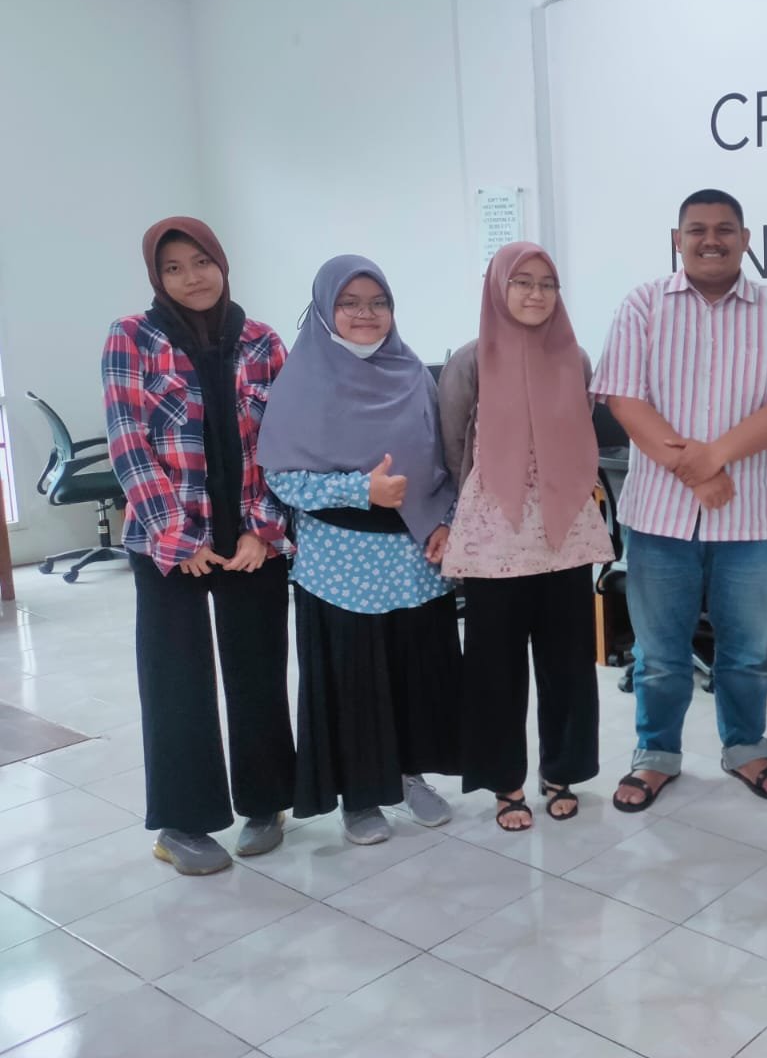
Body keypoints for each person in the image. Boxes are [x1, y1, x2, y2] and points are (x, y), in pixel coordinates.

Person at [591, 188, 767, 813]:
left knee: (746, 654)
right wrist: (694, 473)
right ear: (677, 239)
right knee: (659, 656)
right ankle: (656, 754)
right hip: (659, 518)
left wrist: (712, 458)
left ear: (745, 239)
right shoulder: (642, 304)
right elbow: (623, 398)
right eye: (697, 229)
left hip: (749, 520)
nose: (711, 240)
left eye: (725, 229)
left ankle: (746, 748)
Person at [102, 216, 295, 875]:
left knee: (258, 672)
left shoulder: (263, 340)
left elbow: (284, 443)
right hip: (167, 544)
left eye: (201, 261)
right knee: (176, 683)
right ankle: (181, 824)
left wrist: (263, 528)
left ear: (221, 262)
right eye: (174, 268)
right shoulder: (132, 337)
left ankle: (266, 802)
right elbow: (128, 441)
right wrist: (176, 537)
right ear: (157, 278)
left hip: (250, 542)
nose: (192, 277)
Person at [257, 255, 461, 846]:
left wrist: (445, 522)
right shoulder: (302, 380)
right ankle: (360, 796)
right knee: (354, 681)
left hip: (412, 558)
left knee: (412, 674)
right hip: (340, 564)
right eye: (350, 303)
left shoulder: (412, 373)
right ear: (326, 310)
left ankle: (410, 774)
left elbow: (444, 461)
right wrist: (358, 489)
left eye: (379, 302)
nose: (366, 314)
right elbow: (282, 477)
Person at [438, 242, 612, 830]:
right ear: (498, 287)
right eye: (522, 282)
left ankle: (561, 769)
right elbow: (451, 446)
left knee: (569, 663)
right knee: (495, 668)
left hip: (564, 532)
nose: (536, 293)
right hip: (494, 537)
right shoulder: (470, 361)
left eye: (547, 283)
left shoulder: (575, 358)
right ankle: (505, 780)